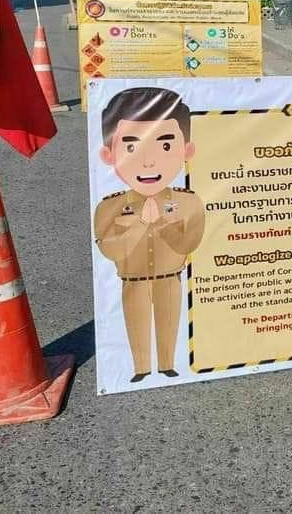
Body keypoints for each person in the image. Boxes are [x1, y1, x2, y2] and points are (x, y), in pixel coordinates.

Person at [93, 87, 205, 383]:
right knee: (136, 322)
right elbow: (109, 248)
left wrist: (166, 223)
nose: (149, 162)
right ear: (108, 154)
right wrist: (139, 224)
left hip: (170, 277)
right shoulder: (110, 206)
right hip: (133, 279)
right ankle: (140, 368)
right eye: (131, 148)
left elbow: (191, 242)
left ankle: (167, 364)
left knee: (169, 322)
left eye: (165, 145)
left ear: (186, 151)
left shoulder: (188, 202)